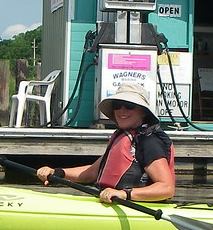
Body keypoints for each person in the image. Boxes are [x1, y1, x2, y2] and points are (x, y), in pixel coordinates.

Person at [36, 82, 175, 203]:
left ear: (143, 112)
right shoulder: (124, 138)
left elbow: (166, 188)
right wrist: (57, 172)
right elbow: (91, 173)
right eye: (117, 105)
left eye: (129, 106)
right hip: (109, 200)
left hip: (135, 207)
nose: (122, 110)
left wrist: (124, 194)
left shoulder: (149, 142)